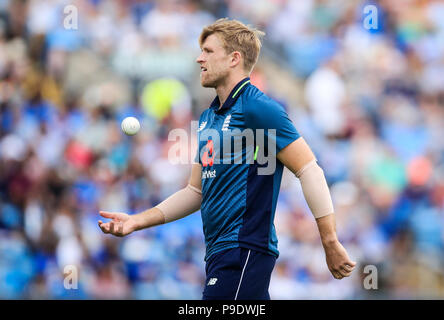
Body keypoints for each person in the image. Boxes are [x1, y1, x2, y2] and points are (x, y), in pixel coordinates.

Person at [98, 18, 356, 300]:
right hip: (219, 255)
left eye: (208, 51)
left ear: (234, 58)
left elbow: (309, 169)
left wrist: (329, 241)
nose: (199, 59)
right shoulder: (210, 116)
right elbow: (195, 192)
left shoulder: (258, 107)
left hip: (244, 250)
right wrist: (137, 221)